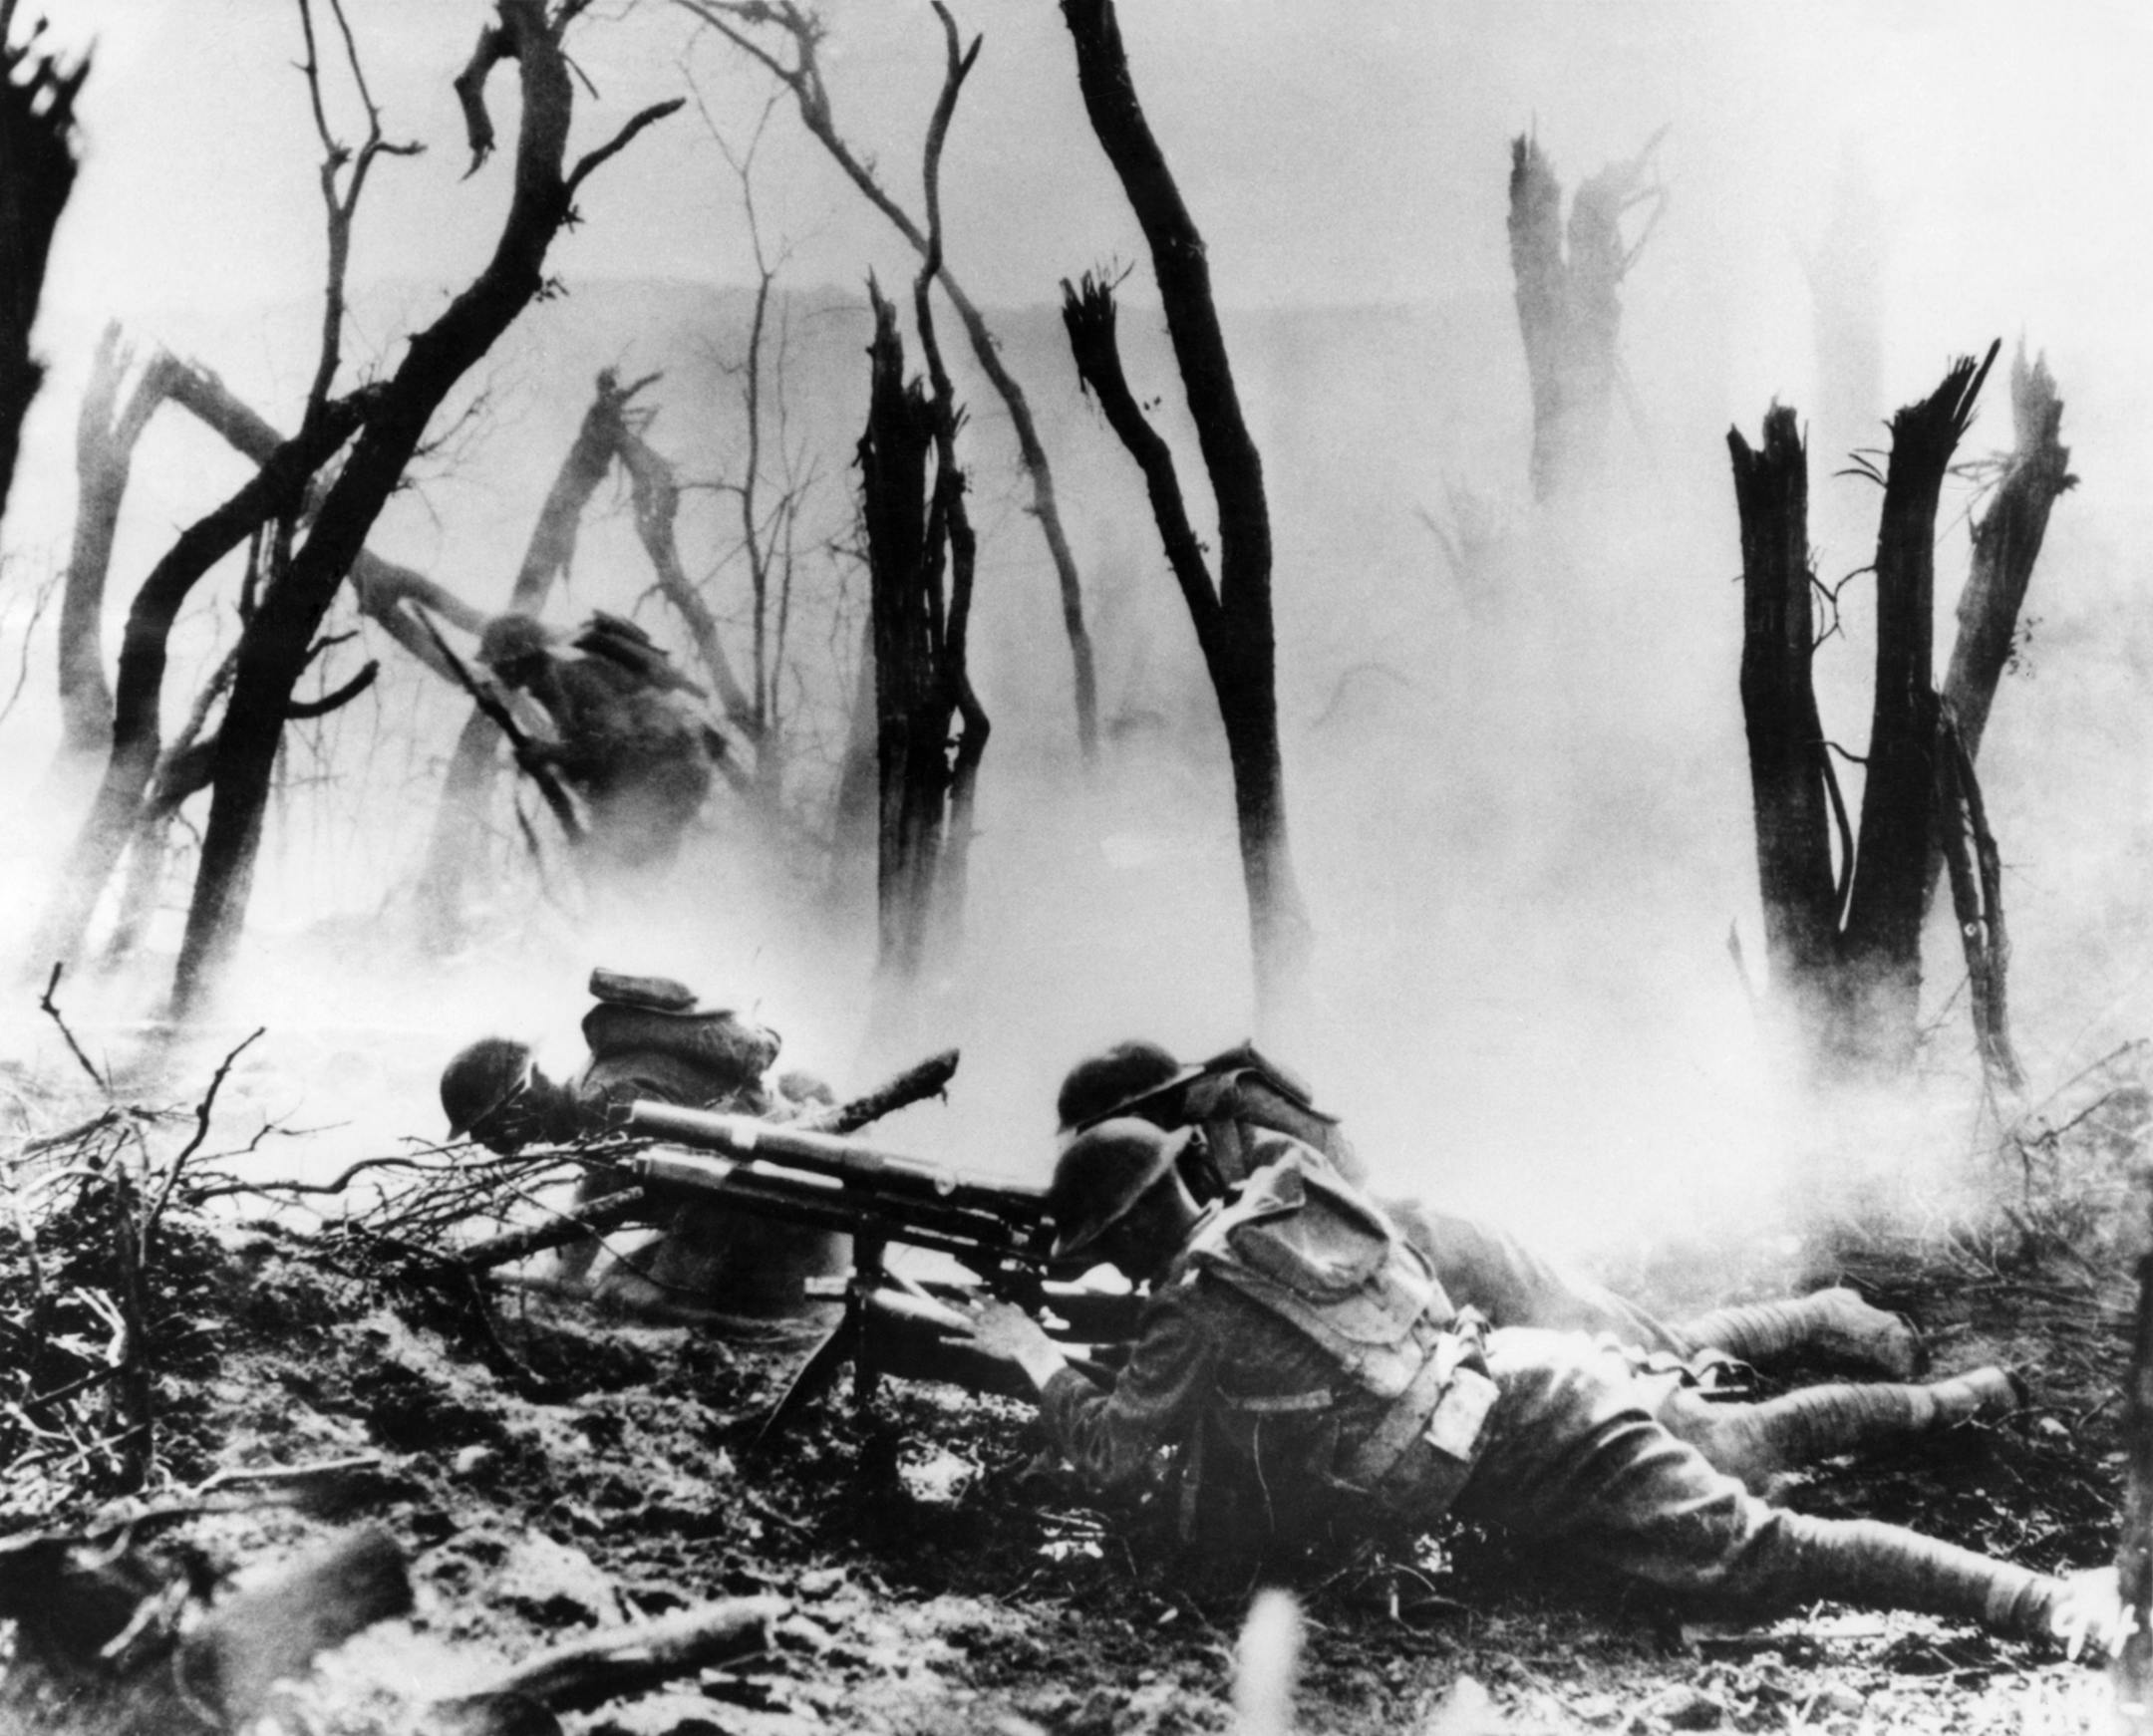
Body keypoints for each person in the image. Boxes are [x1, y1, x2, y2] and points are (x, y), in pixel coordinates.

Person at [967, 1119, 2116, 1652]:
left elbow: (1119, 1455)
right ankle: (1967, 1407)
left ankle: (2049, 1601)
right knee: (1735, 1458)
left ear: (1123, 1230)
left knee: (1754, 1547)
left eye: (1105, 1245)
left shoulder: (1194, 1301)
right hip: (1512, 1393)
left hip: (1526, 1429)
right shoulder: (1277, 1212)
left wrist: (1023, 1348)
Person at [1055, 1039, 1921, 1380]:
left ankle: (1825, 1314)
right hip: (1405, 1301)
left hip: (1443, 1253)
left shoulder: (1233, 1109)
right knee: (1635, 1355)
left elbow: (1347, 1178)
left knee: (1651, 1348)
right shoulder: (1177, 1171)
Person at [440, 969, 845, 1312]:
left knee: (622, 1297)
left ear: (519, 1103)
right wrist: (566, 1273)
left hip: (793, 1219)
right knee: (614, 1288)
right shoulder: (593, 1098)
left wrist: (664, 1281)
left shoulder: (606, 1100)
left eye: (491, 1133)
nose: (500, 1147)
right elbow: (600, 1187)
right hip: (771, 1206)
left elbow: (713, 1176)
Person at [478, 611, 720, 874]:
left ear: (519, 661)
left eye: (498, 664)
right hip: (660, 776)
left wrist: (549, 753)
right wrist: (544, 759)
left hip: (665, 773)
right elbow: (593, 750)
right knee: (622, 873)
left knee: (623, 872)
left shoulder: (574, 676)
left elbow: (611, 739)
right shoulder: (553, 684)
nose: (496, 672)